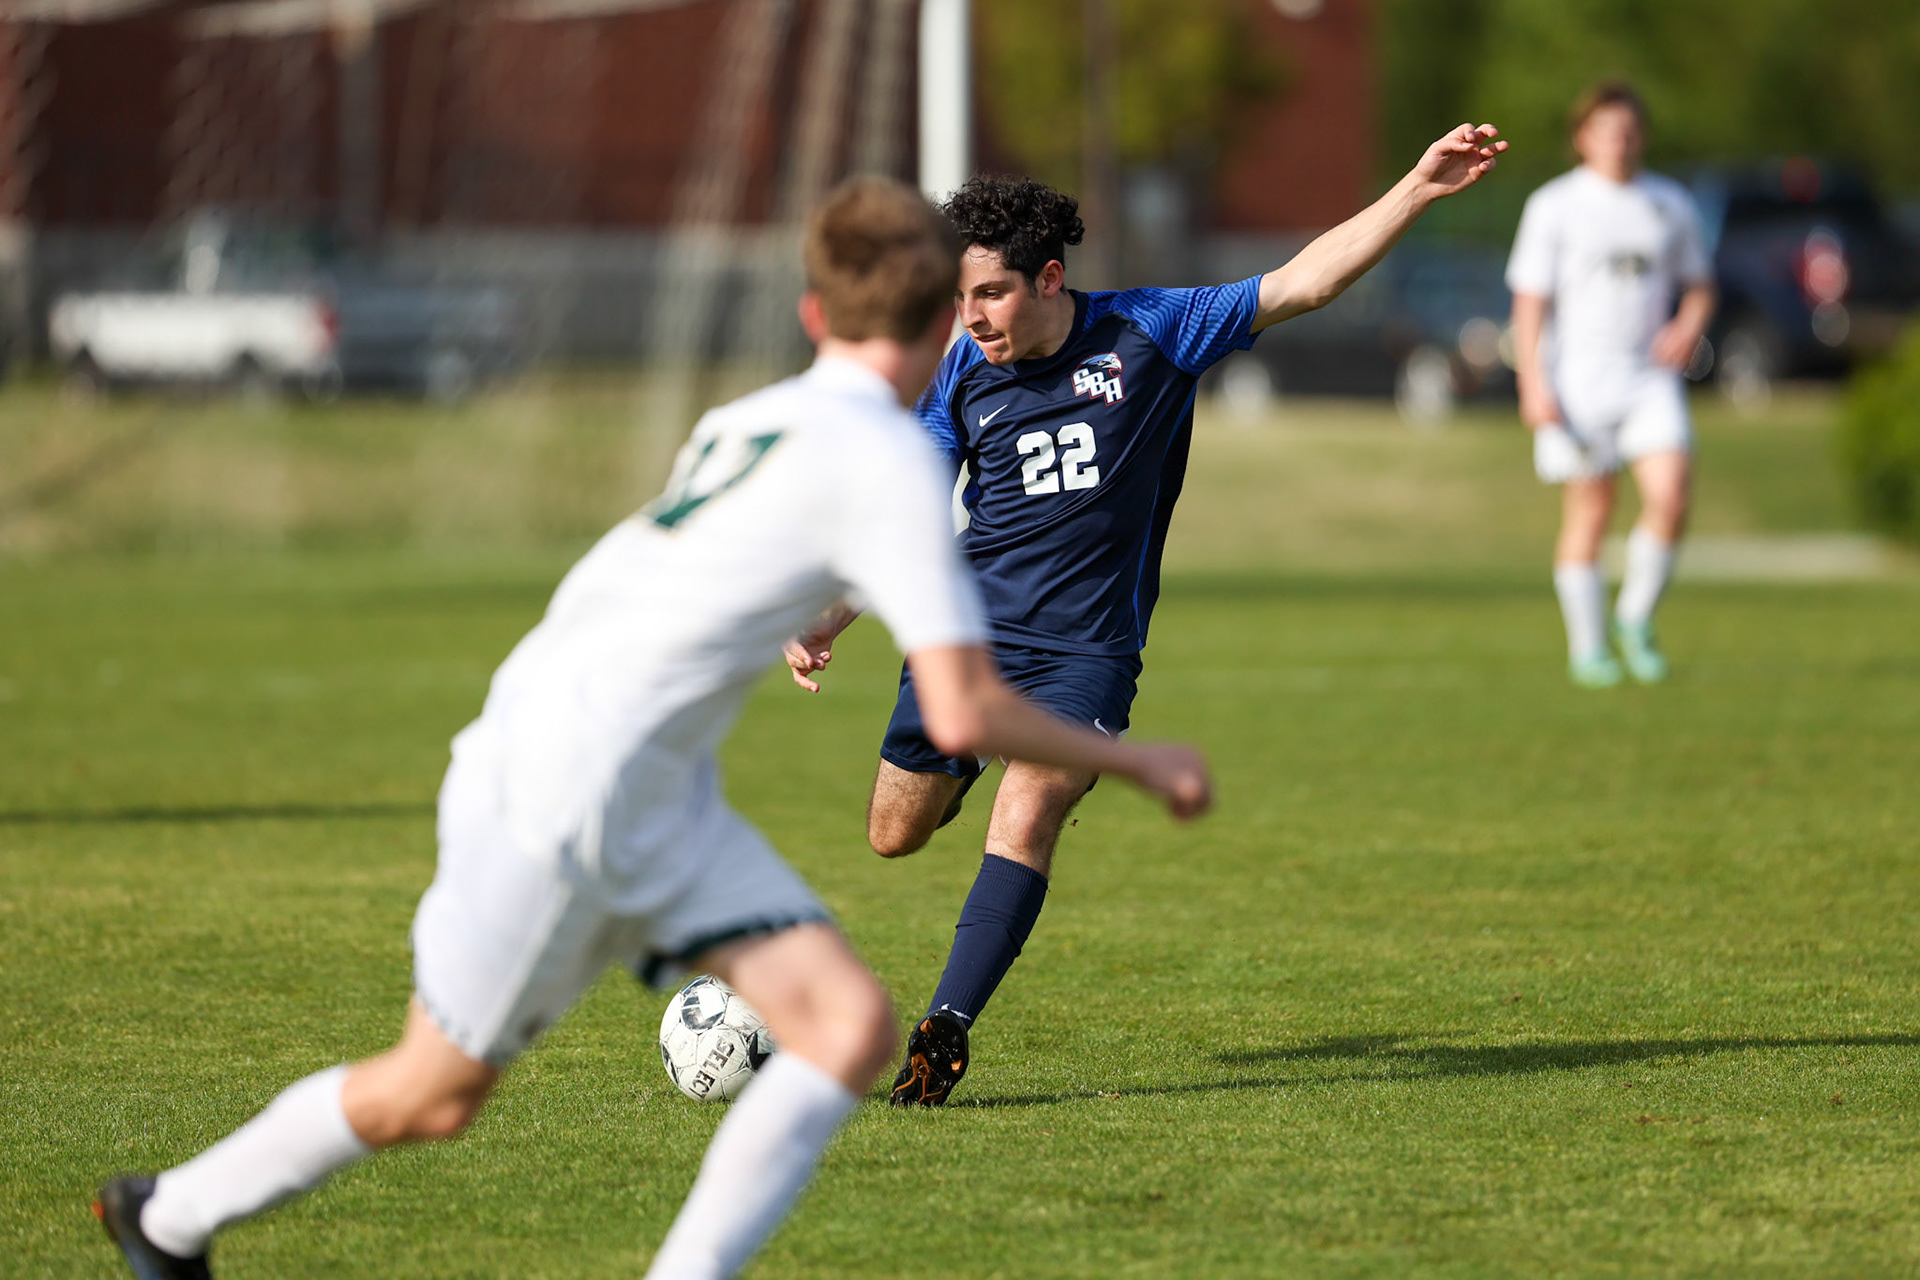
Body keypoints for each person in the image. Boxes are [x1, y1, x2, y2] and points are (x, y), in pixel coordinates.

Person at [92, 177, 1212, 1280]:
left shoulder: (748, 419)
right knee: (433, 1091)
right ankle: (177, 1210)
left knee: (843, 1024)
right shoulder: (883, 461)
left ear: (813, 316)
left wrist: (817, 613)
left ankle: (175, 1215)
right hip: (573, 783)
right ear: (936, 326)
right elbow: (966, 706)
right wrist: (1139, 756)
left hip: (607, 758)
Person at [783, 125, 1510, 1106]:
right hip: (965, 643)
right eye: (959, 299)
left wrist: (1417, 188)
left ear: (1048, 278)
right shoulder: (960, 372)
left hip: (1086, 651)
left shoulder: (1153, 331)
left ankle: (944, 1031)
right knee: (891, 835)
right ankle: (967, 763)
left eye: (990, 293)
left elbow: (1302, 282)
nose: (973, 317)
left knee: (1030, 802)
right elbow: (902, 508)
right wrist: (829, 613)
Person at [1507, 81, 1717, 687]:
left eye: (1628, 131)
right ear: (1583, 138)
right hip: (1577, 380)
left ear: (1641, 137)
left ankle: (1635, 617)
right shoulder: (1554, 205)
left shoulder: (1668, 204)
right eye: (1606, 131)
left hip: (1648, 377)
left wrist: (1688, 322)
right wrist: (1533, 383)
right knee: (1592, 510)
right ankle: (1589, 647)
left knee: (1671, 494)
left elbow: (1699, 284)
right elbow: (1529, 301)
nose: (1618, 143)